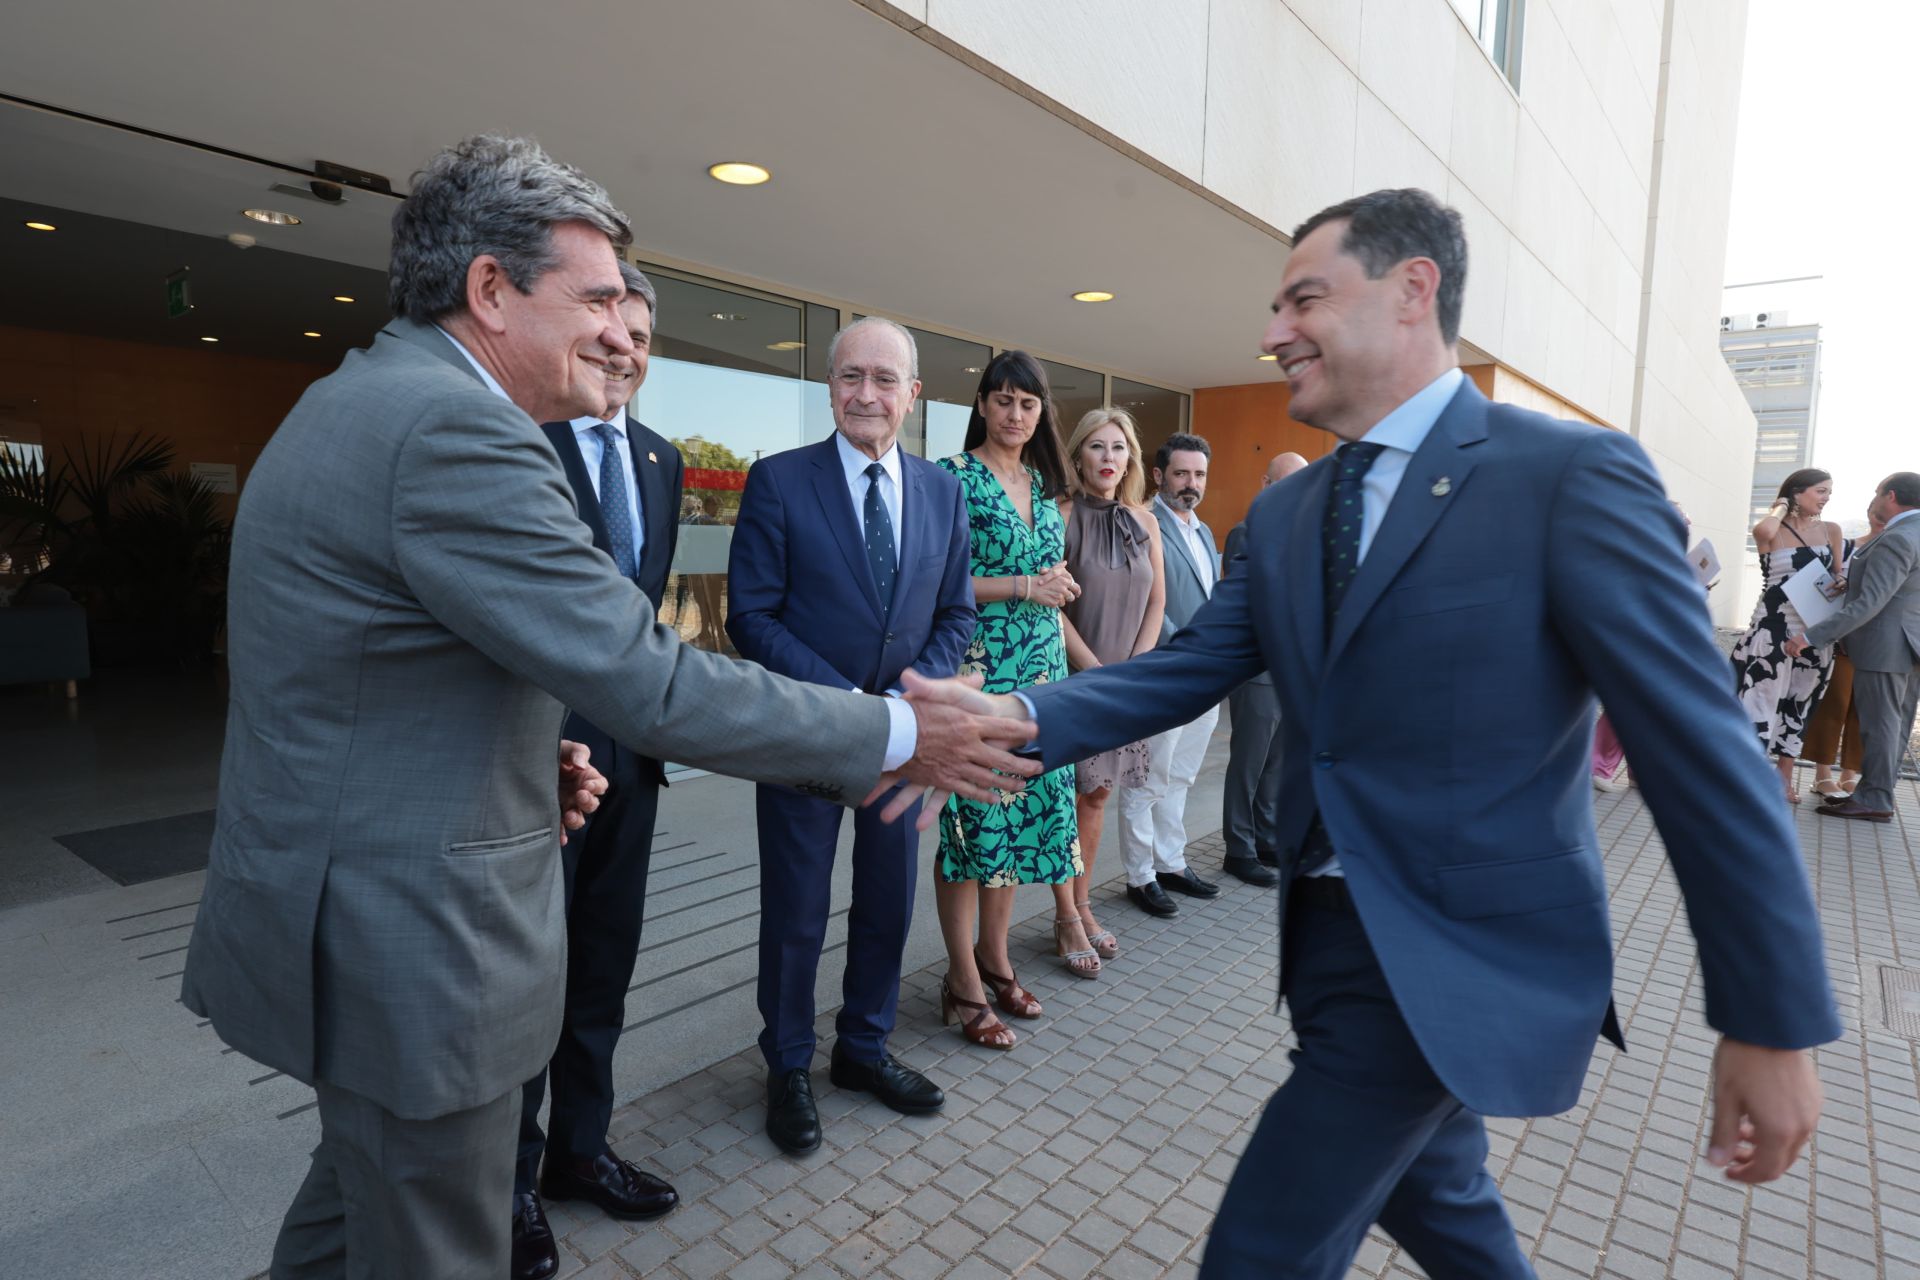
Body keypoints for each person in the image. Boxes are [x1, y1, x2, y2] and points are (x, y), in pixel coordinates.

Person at [906, 187, 1838, 1279]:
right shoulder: (1290, 517)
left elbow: (1703, 752)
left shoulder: (1569, 478)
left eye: (1305, 297)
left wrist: (1770, 1017)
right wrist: (1017, 712)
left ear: (1412, 291)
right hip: (1334, 943)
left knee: (1258, 1249)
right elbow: (1186, 668)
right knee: (1442, 1198)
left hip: (1464, 949)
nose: (1271, 331)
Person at [178, 135, 1035, 1280]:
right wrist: (901, 732)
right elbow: (651, 676)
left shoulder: (362, 395)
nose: (617, 325)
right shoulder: (457, 427)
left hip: (362, 933)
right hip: (416, 958)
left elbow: (382, 671)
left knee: (340, 1238)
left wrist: (526, 753)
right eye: (591, 297)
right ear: (490, 289)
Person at [726, 317, 975, 1153]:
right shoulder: (779, 482)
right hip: (806, 736)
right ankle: (789, 1064)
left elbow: (956, 612)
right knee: (796, 911)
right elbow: (751, 617)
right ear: (829, 387)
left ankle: (863, 1050)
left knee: (886, 903)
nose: (865, 394)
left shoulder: (943, 492)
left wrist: (908, 704)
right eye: (849, 377)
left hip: (905, 744)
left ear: (913, 393)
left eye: (883, 379)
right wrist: (851, 708)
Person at [506, 264, 682, 1280]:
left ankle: (581, 1148)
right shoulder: (525, 440)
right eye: (607, 324)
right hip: (544, 757)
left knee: (604, 964)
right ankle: (514, 1179)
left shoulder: (659, 457)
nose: (623, 347)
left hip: (632, 755)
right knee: (537, 972)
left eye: (641, 333)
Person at [935, 350, 1084, 1031]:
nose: (1015, 414)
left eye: (1028, 404)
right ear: (983, 404)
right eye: (1003, 400)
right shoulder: (951, 478)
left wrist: (1057, 598)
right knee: (973, 825)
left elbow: (1052, 585)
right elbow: (934, 584)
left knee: (1022, 822)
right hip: (981, 671)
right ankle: (962, 980)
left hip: (1042, 676)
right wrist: (1027, 587)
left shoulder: (1047, 485)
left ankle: (997, 963)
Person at [1058, 407, 1166, 966]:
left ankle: (1080, 906)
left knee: (1098, 796)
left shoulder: (1146, 522)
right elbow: (1055, 607)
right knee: (1064, 797)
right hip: (1078, 679)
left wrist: (1136, 671)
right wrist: (1097, 671)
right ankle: (1068, 917)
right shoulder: (1061, 514)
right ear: (1078, 454)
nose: (1108, 458)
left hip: (1127, 681)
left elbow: (1158, 602)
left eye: (1118, 448)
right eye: (1098, 447)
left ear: (1131, 459)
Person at [1117, 432, 1224, 917]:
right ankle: (1140, 877)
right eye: (1181, 473)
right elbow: (1144, 599)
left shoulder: (1204, 531)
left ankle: (1171, 863)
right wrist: (1189, 646)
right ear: (1159, 475)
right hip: (1165, 670)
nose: (1191, 483)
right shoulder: (1142, 523)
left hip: (1205, 676)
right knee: (1147, 779)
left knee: (1180, 777)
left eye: (1199, 474)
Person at [1788, 472, 1920, 823]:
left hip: (1886, 645)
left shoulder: (1899, 538)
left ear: (1890, 496)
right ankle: (1875, 794)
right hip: (1910, 645)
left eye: (1877, 493)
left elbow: (1871, 604)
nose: (1875, 499)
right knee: (1895, 725)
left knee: (1880, 726)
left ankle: (1874, 800)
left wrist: (1811, 636)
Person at [1730, 468, 1846, 803]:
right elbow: (1762, 529)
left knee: (1799, 705)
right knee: (1759, 704)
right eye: (1821, 491)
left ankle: (1784, 778)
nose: (1826, 499)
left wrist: (1840, 582)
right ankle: (1748, 779)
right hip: (1771, 630)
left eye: (1829, 493)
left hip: (1813, 632)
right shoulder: (1773, 530)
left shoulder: (1832, 530)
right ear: (1798, 492)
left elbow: (1836, 577)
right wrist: (1780, 505)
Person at [1219, 451, 1308, 884]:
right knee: (1249, 763)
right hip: (1257, 671)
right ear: (1266, 485)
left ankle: (1267, 839)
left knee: (1276, 763)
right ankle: (1238, 849)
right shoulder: (1245, 533)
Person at [1805, 506, 1889, 800]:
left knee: (1864, 710)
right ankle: (1822, 775)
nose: (1877, 514)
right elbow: (1826, 586)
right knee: (1834, 704)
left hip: (1878, 641)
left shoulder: (1897, 546)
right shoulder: (1850, 546)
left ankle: (1850, 776)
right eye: (1873, 509)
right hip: (1842, 638)